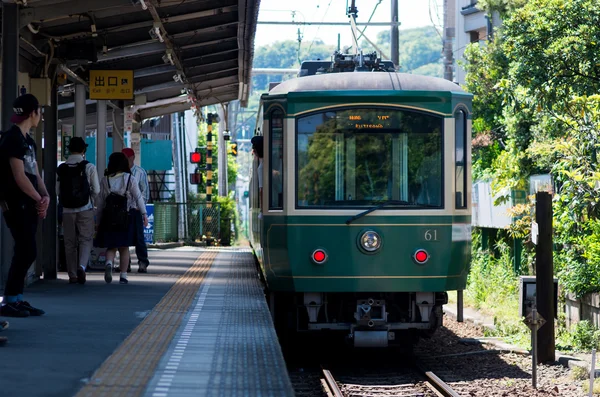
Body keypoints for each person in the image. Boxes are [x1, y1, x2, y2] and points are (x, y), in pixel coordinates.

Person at [0, 94, 48, 317]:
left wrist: (45, 195)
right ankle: (10, 299)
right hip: (14, 202)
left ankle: (16, 298)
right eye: (40, 112)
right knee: (26, 250)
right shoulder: (12, 139)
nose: (41, 116)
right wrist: (40, 200)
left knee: (26, 251)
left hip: (28, 202)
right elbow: (19, 177)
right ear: (33, 113)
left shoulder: (28, 141)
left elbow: (34, 173)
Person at [95, 152, 148, 284]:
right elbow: (138, 197)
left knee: (111, 246)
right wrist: (144, 214)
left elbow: (100, 202)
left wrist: (98, 219)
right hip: (126, 217)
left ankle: (108, 263)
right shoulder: (129, 178)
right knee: (124, 247)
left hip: (108, 217)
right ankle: (123, 275)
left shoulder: (105, 180)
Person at [56, 137, 100, 284]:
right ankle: (82, 266)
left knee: (69, 242)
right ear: (83, 150)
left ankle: (72, 275)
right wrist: (89, 200)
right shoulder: (89, 167)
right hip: (85, 208)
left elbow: (57, 191)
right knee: (85, 239)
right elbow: (97, 190)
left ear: (69, 150)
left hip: (67, 210)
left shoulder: (62, 168)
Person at [121, 148, 150, 273]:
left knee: (139, 237)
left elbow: (144, 192)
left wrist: (141, 207)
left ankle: (142, 262)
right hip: (122, 210)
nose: (125, 161)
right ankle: (125, 264)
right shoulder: (118, 173)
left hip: (136, 209)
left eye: (126, 158)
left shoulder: (140, 172)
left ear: (132, 158)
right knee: (123, 237)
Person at [251, 136, 264, 217]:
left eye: (254, 149)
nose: (253, 151)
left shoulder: (262, 167)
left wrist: (262, 210)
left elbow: (262, 190)